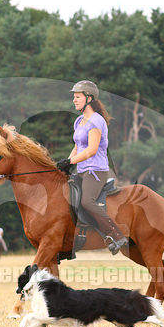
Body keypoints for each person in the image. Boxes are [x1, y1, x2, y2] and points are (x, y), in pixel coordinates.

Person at [56, 80, 128, 255]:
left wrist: (71, 162)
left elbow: (91, 149)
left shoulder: (96, 120)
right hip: (81, 170)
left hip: (96, 171)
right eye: (74, 97)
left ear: (89, 98)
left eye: (77, 97)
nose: (74, 100)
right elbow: (77, 147)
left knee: (87, 201)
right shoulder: (79, 120)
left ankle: (116, 235)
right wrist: (66, 162)